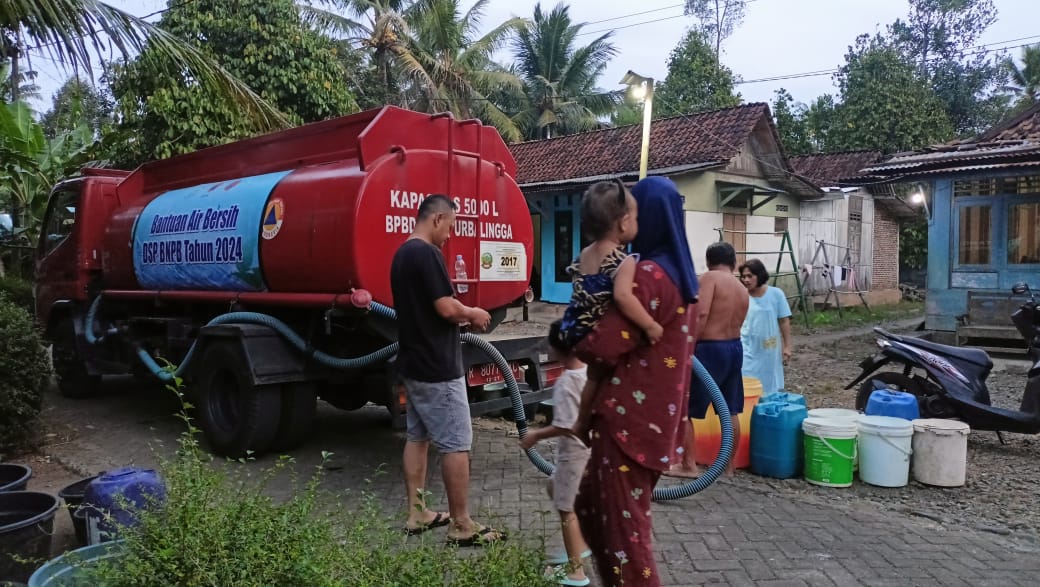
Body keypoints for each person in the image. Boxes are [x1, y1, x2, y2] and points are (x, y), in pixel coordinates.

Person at [571, 176, 699, 587]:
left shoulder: (648, 275)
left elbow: (602, 346)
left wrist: (571, 333)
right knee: (591, 506)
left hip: (628, 423)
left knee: (626, 536)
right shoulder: (680, 276)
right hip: (655, 420)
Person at [389, 194, 505, 546]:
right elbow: (445, 307)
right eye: (450, 225)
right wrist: (473, 313)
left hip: (414, 362)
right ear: (437, 218)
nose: (450, 234)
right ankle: (461, 524)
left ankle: (417, 512)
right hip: (437, 368)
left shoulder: (402, 254)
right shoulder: (426, 253)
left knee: (418, 436)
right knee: (456, 443)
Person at [520, 320, 592, 587]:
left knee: (566, 509)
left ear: (556, 350)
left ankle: (576, 571)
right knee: (555, 486)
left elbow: (565, 425)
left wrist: (535, 435)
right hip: (592, 450)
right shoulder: (591, 374)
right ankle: (581, 544)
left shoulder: (565, 383)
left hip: (573, 454)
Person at [670, 242, 750, 478]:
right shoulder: (741, 287)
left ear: (708, 260)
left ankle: (688, 465)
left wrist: (689, 344)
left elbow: (701, 312)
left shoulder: (709, 278)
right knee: (730, 409)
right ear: (734, 263)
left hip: (709, 349)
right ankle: (728, 466)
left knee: (685, 408)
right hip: (734, 347)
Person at [739, 259, 793, 396]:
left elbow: (784, 321)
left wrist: (787, 346)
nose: (746, 280)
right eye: (743, 276)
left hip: (768, 347)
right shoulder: (741, 295)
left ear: (760, 275)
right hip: (746, 345)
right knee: (746, 379)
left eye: (750, 276)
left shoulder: (775, 294)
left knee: (768, 381)